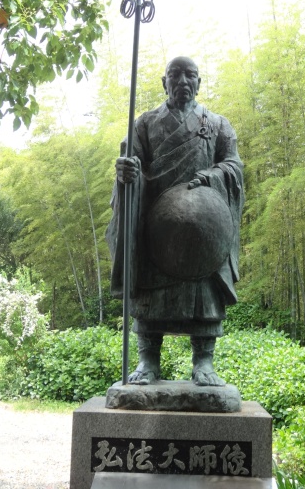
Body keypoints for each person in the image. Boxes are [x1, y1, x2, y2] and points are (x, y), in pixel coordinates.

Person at [106, 56, 244, 387]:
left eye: (190, 75)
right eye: (175, 75)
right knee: (150, 298)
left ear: (199, 82)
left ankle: (204, 362)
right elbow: (131, 163)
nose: (183, 81)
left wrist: (212, 177)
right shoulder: (144, 124)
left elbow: (234, 166)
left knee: (203, 297)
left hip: (201, 229)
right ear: (164, 82)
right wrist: (127, 173)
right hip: (157, 230)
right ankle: (148, 361)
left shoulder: (218, 124)